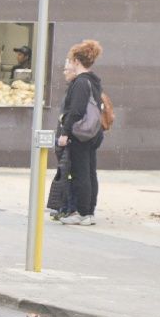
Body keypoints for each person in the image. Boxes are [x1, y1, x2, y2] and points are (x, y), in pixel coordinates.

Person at [57, 39, 106, 226]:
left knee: (80, 173)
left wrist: (65, 133)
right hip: (94, 132)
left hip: (81, 134)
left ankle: (83, 212)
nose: (69, 63)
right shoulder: (94, 81)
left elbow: (75, 111)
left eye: (71, 60)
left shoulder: (80, 82)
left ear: (77, 61)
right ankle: (89, 212)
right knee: (90, 172)